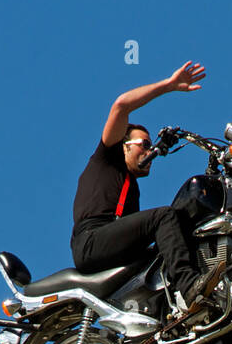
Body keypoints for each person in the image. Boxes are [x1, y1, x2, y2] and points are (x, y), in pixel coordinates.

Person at [70, 60, 219, 319]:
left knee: (168, 245)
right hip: (91, 241)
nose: (150, 151)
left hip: (110, 244)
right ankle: (189, 286)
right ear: (124, 145)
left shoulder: (132, 190)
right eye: (144, 144)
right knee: (163, 216)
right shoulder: (106, 160)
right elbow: (121, 105)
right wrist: (169, 85)